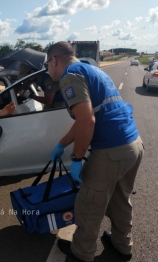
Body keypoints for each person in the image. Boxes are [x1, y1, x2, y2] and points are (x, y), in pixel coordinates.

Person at [46, 41, 144, 262]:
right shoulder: (92, 70)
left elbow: (87, 120)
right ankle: (122, 245)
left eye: (47, 64)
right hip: (133, 144)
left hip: (111, 150)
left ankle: (82, 253)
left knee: (90, 203)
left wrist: (77, 158)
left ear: (54, 60)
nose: (47, 69)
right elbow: (86, 118)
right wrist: (62, 143)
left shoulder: (69, 77)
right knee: (120, 200)